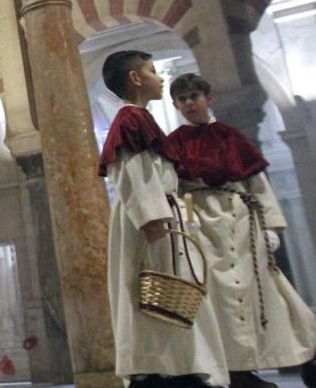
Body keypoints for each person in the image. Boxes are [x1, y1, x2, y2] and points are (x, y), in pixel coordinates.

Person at [165, 73, 316, 388]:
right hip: (203, 228)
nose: (189, 103)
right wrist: (187, 225)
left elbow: (257, 185)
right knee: (218, 302)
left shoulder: (230, 136)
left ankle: (306, 344)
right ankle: (236, 371)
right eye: (182, 99)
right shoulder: (174, 143)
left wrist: (271, 227)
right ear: (175, 104)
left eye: (195, 96)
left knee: (262, 294)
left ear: (208, 98)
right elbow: (175, 190)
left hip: (242, 223)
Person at [99, 51, 227, 388]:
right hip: (150, 224)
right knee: (153, 294)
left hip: (162, 216)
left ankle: (181, 365)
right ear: (135, 79)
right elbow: (130, 171)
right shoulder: (130, 120)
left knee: (170, 293)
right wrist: (152, 218)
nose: (161, 78)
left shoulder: (141, 118)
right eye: (153, 71)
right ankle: (163, 369)